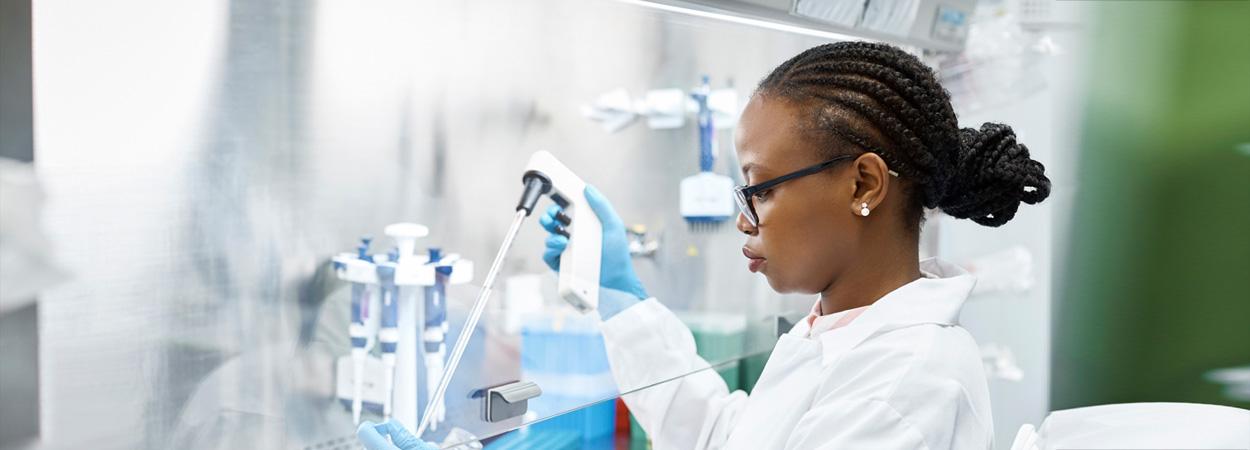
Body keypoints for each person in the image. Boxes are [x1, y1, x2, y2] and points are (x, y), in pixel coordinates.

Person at [360, 40, 1050, 449]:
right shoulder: (844, 331)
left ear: (863, 183)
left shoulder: (906, 379)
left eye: (761, 188)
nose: (745, 220)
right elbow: (726, 438)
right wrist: (623, 301)